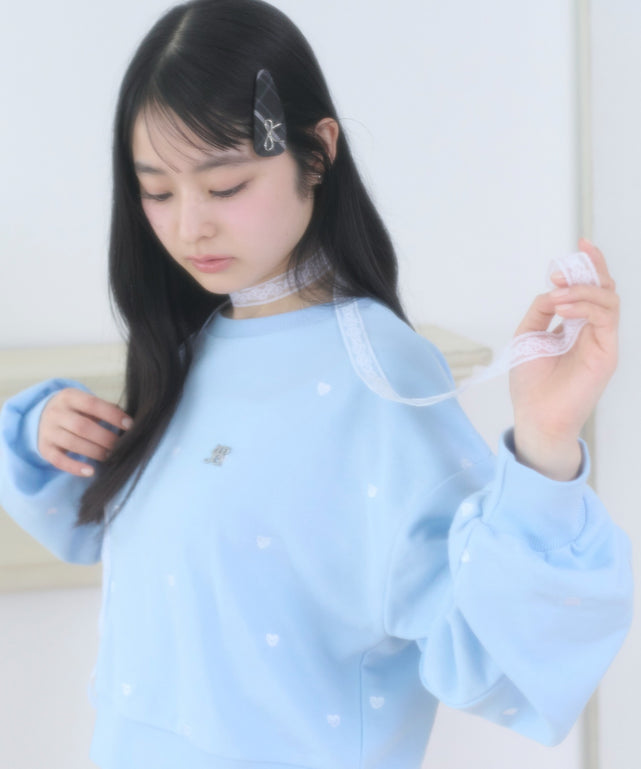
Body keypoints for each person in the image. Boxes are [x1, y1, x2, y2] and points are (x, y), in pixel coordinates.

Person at [0, 1, 633, 767]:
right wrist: (45, 432)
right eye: (157, 191)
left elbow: (486, 655)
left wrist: (543, 445)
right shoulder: (191, 347)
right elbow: (113, 535)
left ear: (317, 153)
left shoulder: (380, 374)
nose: (189, 226)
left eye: (225, 185)